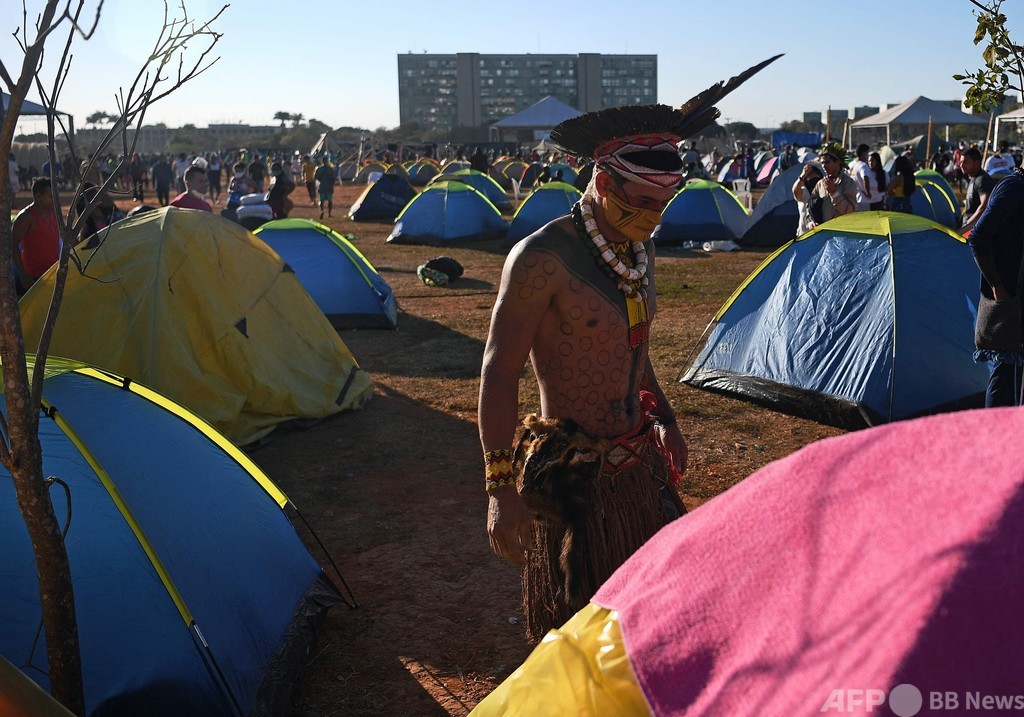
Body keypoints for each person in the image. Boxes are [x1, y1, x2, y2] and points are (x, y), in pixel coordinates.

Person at [480, 54, 779, 642]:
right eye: (640, 203)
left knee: (657, 620)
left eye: (661, 206)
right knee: (585, 633)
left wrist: (665, 418)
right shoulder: (542, 259)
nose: (652, 217)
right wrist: (499, 485)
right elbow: (498, 370)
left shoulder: (636, 253)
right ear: (602, 180)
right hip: (573, 479)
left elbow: (633, 352)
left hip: (639, 464)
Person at [966, 164, 1024, 407]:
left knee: (1012, 372)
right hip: (1009, 297)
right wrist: (997, 287)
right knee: (1005, 372)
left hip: (1016, 295)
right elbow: (978, 238)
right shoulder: (1014, 187)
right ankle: (995, 437)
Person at [11, 177, 60, 294]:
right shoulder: (26, 217)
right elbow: (12, 245)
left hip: (54, 272)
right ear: (38, 196)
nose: (54, 199)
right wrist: (23, 275)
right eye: (50, 196)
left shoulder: (54, 211)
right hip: (34, 276)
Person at [810, 141, 858, 222]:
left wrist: (834, 193)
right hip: (824, 231)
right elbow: (810, 205)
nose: (824, 166)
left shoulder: (848, 183)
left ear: (837, 162)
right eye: (822, 163)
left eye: (827, 162)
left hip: (841, 230)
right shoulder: (820, 184)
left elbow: (849, 211)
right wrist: (811, 221)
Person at [960, 146, 996, 234]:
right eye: (961, 162)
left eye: (966, 162)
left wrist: (967, 225)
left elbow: (985, 206)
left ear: (976, 163)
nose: (961, 165)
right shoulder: (974, 178)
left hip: (975, 230)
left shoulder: (982, 180)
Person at [791, 160, 825, 234]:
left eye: (815, 174)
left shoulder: (824, 190)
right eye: (809, 175)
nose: (813, 177)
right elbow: (795, 191)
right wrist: (803, 175)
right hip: (804, 233)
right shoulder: (803, 191)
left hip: (821, 232)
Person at [848, 143, 871, 210]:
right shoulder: (863, 165)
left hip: (852, 199)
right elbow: (865, 178)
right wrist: (868, 193)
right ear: (864, 153)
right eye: (867, 153)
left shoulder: (851, 164)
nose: (868, 156)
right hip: (863, 200)